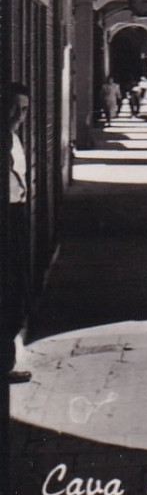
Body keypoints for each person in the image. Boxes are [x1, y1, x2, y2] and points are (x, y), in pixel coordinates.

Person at [5, 84, 31, 383]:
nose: (18, 116)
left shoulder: (13, 139)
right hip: (7, 221)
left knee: (16, 293)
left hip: (16, 218)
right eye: (13, 108)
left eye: (23, 109)